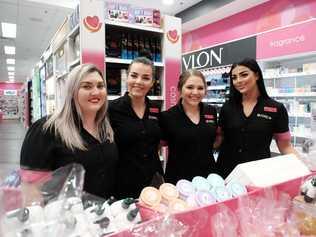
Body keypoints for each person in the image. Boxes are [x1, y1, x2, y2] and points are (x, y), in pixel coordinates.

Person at [20, 64, 118, 198]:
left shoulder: (106, 127)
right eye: (87, 86)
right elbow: (31, 188)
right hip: (66, 216)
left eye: (100, 86)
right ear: (72, 91)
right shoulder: (46, 130)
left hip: (104, 214)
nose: (96, 92)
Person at [216, 58, 298, 178]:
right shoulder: (227, 108)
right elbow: (219, 138)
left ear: (257, 75)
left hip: (258, 173)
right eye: (234, 77)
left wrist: (302, 167)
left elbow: (285, 146)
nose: (238, 80)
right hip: (226, 172)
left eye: (244, 75)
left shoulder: (276, 108)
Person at [108, 57, 163, 198]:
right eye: (134, 76)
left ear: (152, 83)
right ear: (127, 77)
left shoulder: (155, 109)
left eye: (145, 78)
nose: (138, 82)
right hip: (124, 183)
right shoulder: (111, 109)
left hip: (153, 182)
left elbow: (156, 143)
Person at [159, 69, 219, 184]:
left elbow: (214, 140)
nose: (195, 92)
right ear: (180, 89)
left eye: (200, 88)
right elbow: (161, 144)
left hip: (208, 179)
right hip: (179, 180)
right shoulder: (167, 117)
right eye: (190, 87)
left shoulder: (211, 111)